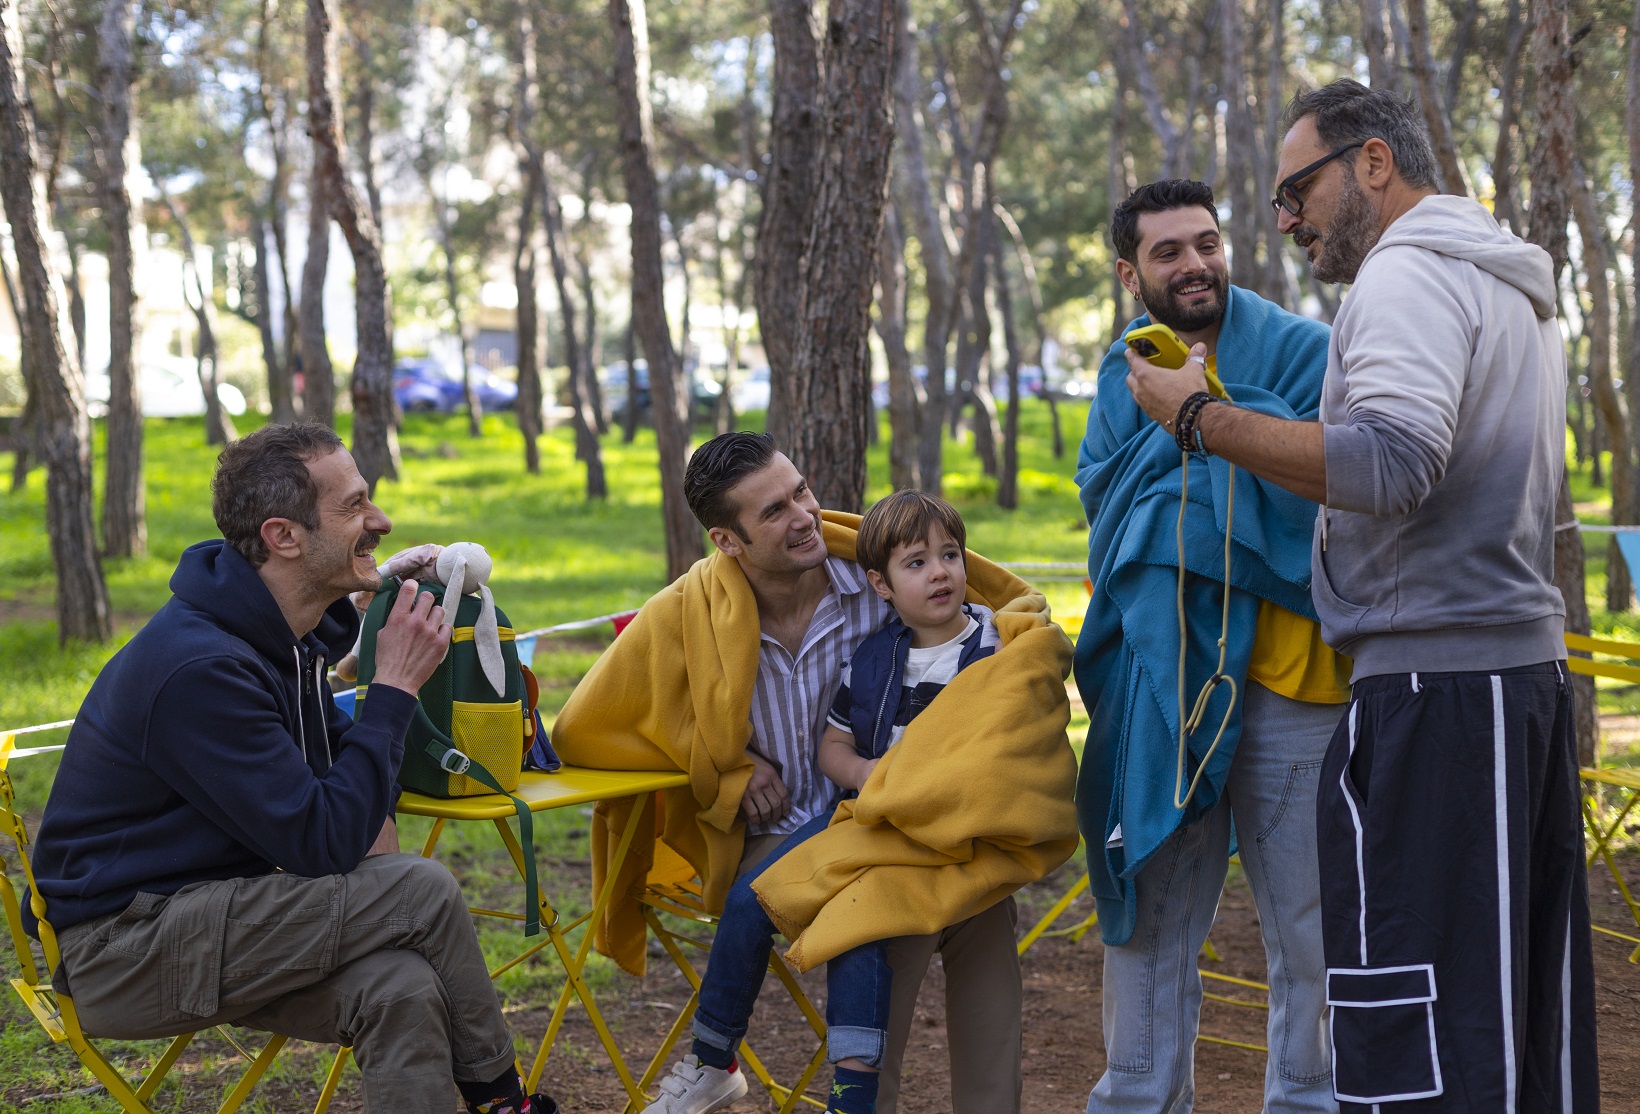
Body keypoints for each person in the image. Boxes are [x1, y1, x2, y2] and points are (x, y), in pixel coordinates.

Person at [1123, 80, 1599, 1110]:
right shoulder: (1492, 275)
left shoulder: (1406, 276)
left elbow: (1389, 463)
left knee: (1426, 1022)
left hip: (1442, 690)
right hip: (1502, 682)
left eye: (1296, 191)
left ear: (1372, 163)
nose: (1285, 220)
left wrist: (1201, 417)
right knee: (1507, 1013)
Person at [24, 423, 554, 1114]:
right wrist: (393, 688)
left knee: (402, 986)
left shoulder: (276, 640)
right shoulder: (203, 669)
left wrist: (368, 611)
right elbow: (325, 843)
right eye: (354, 505)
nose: (381, 522)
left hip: (209, 919)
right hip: (124, 950)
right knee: (420, 890)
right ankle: (505, 1102)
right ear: (283, 536)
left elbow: (346, 791)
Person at [558, 432, 1025, 1114]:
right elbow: (582, 726)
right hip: (786, 836)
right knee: (879, 912)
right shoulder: (693, 610)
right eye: (774, 511)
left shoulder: (879, 576)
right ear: (728, 540)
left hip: (905, 813)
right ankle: (856, 1100)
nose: (805, 516)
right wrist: (727, 767)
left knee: (983, 905)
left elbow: (1004, 624)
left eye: (801, 491)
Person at [1075, 178, 1343, 1113]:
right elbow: (1113, 505)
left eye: (1207, 243)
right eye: (1169, 252)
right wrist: (1209, 463)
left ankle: (1309, 1099)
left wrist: (1205, 435)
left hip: (1293, 684)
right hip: (1167, 677)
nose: (1195, 264)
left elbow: (1332, 489)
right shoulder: (1124, 372)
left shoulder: (1308, 352)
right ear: (1130, 274)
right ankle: (1137, 1097)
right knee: (1151, 916)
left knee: (1309, 926)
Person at [809, 489, 1004, 1114]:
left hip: (978, 861)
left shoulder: (998, 646)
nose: (939, 572)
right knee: (884, 1014)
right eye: (915, 563)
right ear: (881, 584)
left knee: (991, 1017)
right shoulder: (871, 661)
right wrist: (868, 774)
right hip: (896, 863)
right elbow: (832, 746)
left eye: (949, 555)